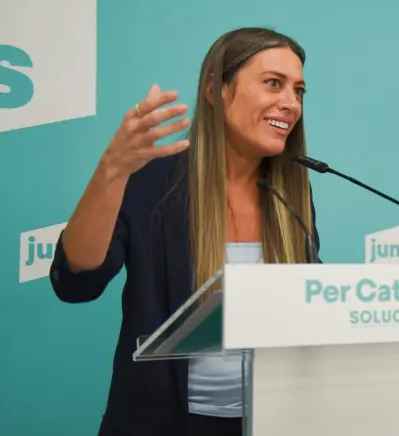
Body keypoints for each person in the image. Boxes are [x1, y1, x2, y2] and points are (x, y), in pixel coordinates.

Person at [49, 27, 321, 436]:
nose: (290, 103)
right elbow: (77, 283)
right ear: (215, 90)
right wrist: (113, 170)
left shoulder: (290, 195)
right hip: (164, 423)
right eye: (272, 84)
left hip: (273, 421)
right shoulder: (153, 180)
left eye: (298, 90)